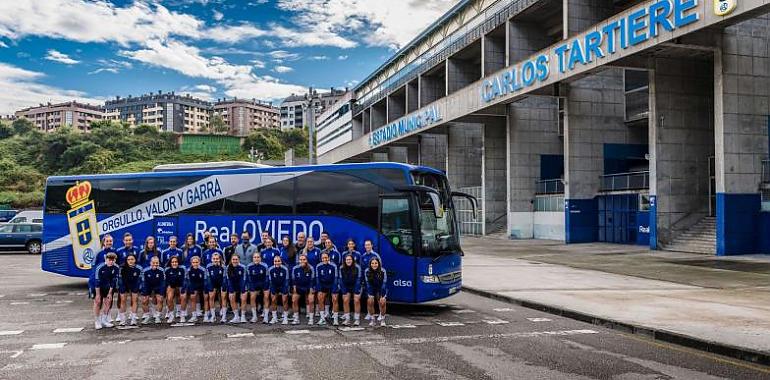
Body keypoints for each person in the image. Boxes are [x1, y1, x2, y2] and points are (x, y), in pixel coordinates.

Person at [93, 252, 120, 330]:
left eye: (113, 260)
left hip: (107, 286)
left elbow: (113, 281)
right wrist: (98, 294)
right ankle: (97, 321)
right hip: (97, 286)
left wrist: (110, 293)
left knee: (108, 301)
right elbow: (97, 281)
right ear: (106, 259)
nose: (111, 262)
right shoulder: (100, 267)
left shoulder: (116, 267)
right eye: (109, 260)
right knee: (98, 302)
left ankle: (104, 320)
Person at [116, 253, 142, 326]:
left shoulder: (139, 268)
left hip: (134, 283)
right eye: (128, 259)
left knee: (135, 300)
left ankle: (133, 319)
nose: (130, 261)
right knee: (123, 300)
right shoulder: (121, 268)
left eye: (132, 259)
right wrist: (120, 288)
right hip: (124, 283)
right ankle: (123, 320)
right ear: (126, 260)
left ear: (135, 260)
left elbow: (140, 279)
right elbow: (120, 279)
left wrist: (138, 287)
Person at [360, 239, 382, 322]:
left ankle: (380, 313)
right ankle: (369, 313)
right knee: (369, 298)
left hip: (376, 280)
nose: (367, 246)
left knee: (378, 297)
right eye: (366, 245)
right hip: (367, 280)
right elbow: (362, 269)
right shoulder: (363, 256)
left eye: (369, 245)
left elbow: (380, 268)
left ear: (372, 246)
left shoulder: (376, 255)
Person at [315, 252, 339, 326]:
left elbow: (335, 278)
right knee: (320, 297)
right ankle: (322, 318)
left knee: (335, 299)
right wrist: (319, 289)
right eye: (323, 258)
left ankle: (335, 319)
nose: (324, 259)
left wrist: (334, 288)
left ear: (329, 258)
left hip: (332, 284)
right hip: (323, 285)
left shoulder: (333, 266)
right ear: (321, 259)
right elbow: (317, 278)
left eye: (326, 258)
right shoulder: (318, 266)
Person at [291, 254, 316, 325]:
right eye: (301, 260)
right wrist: (294, 290)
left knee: (311, 300)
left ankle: (311, 319)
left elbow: (312, 280)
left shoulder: (311, 268)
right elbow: (293, 280)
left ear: (306, 260)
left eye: (304, 259)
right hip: (299, 287)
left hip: (308, 287)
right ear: (298, 260)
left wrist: (311, 290)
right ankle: (296, 318)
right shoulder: (295, 268)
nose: (302, 261)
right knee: (294, 299)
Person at [338, 254, 362, 326]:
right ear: (345, 261)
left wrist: (356, 290)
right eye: (347, 260)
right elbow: (341, 280)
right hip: (346, 286)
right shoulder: (341, 267)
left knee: (356, 300)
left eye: (350, 259)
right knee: (345, 300)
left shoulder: (357, 267)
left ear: (353, 260)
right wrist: (344, 290)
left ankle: (357, 319)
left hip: (356, 285)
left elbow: (359, 279)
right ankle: (347, 319)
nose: (348, 261)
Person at [140, 256, 165, 324]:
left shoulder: (161, 270)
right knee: (144, 300)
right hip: (148, 285)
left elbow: (162, 282)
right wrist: (145, 292)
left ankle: (158, 316)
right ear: (150, 263)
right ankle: (147, 316)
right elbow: (143, 282)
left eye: (157, 263)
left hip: (158, 285)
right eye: (153, 263)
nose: (155, 264)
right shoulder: (145, 270)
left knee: (160, 299)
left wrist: (162, 291)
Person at [247, 252, 270, 323]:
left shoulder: (265, 266)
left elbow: (266, 278)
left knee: (266, 296)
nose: (256, 259)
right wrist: (252, 288)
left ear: (260, 258)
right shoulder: (249, 266)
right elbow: (249, 278)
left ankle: (266, 316)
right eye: (255, 257)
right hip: (254, 284)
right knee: (252, 297)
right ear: (252, 259)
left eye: (258, 257)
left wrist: (264, 288)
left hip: (263, 283)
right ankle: (254, 316)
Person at [182, 256, 207, 323]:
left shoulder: (203, 269)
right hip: (194, 285)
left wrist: (205, 289)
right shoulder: (188, 270)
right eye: (193, 262)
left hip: (203, 285)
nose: (195, 264)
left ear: (199, 262)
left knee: (206, 297)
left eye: (197, 262)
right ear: (191, 263)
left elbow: (206, 280)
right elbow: (187, 280)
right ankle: (194, 315)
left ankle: (207, 315)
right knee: (192, 297)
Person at [364, 257, 388, 327]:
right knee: (370, 302)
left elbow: (384, 283)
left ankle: (383, 319)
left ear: (379, 264)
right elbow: (368, 283)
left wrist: (382, 295)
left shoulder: (383, 271)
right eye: (372, 263)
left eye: (376, 263)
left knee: (382, 302)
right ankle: (372, 319)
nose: (374, 265)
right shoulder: (367, 271)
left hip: (381, 288)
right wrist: (371, 295)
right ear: (370, 264)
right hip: (371, 287)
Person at [225, 255, 248, 323]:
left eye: (236, 259)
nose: (235, 261)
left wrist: (243, 290)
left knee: (243, 298)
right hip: (233, 284)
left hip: (242, 284)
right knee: (231, 297)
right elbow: (228, 279)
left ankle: (243, 316)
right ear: (231, 260)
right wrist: (231, 290)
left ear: (239, 260)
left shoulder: (243, 267)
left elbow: (243, 279)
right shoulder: (228, 267)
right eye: (233, 259)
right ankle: (236, 316)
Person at [268, 255, 290, 325]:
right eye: (275, 261)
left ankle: (285, 317)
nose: (277, 263)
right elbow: (270, 281)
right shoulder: (270, 269)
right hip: (274, 285)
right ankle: (274, 317)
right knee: (273, 300)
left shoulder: (285, 269)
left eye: (278, 261)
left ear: (281, 262)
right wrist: (273, 290)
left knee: (284, 300)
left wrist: (285, 290)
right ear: (273, 262)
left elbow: (286, 281)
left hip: (283, 285)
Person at [205, 252, 227, 323]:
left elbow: (224, 278)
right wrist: (210, 287)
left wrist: (223, 286)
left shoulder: (223, 267)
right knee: (211, 297)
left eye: (217, 259)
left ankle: (224, 316)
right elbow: (208, 278)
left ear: (219, 259)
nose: (215, 260)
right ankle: (213, 316)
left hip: (221, 283)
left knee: (223, 297)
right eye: (214, 259)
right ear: (211, 259)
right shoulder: (208, 266)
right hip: (213, 283)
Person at [164, 256, 186, 323]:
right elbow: (166, 281)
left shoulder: (182, 268)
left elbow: (185, 280)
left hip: (181, 284)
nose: (174, 263)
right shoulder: (167, 270)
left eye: (176, 262)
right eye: (173, 262)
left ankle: (182, 315)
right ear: (170, 263)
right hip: (171, 284)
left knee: (183, 297)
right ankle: (171, 315)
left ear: (178, 262)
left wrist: (182, 289)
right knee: (169, 298)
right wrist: (169, 287)